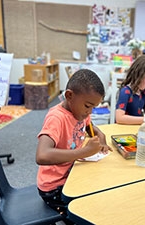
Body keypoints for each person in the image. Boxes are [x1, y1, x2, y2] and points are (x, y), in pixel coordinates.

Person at [36, 69, 111, 224]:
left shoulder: (80, 111)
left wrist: (101, 138)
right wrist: (83, 152)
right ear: (69, 95)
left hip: (69, 174)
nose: (89, 112)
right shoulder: (56, 118)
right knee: (86, 214)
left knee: (102, 190)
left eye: (93, 108)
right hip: (53, 188)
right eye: (88, 106)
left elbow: (92, 127)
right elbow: (41, 155)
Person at [115, 55, 145, 125]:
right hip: (124, 130)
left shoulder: (142, 92)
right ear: (138, 75)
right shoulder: (125, 92)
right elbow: (119, 118)